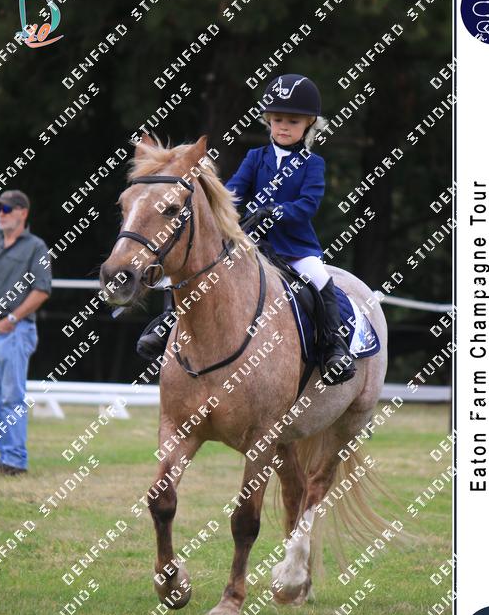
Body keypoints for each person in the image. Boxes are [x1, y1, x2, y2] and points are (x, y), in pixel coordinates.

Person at [136, 74, 355, 384]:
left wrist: (274, 211)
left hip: (295, 248)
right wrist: (229, 209)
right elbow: (233, 193)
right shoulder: (255, 157)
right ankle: (168, 324)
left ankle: (334, 346)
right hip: (252, 243)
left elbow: (308, 205)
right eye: (277, 120)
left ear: (309, 124)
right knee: (204, 272)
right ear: (268, 121)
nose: (283, 127)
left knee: (320, 280)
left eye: (292, 121)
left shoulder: (312, 163)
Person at [0, 190, 51, 475]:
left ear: (22, 213)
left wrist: (11, 318)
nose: (1, 214)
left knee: (12, 397)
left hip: (14, 330)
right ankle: (5, 457)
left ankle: (15, 461)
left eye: (7, 209)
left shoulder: (36, 247)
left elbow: (42, 290)